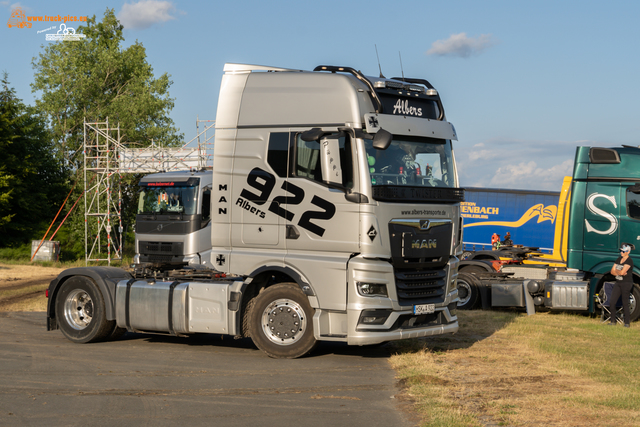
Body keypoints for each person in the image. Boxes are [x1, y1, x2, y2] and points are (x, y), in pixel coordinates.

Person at [608, 244, 634, 327]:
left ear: (628, 252)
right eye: (621, 251)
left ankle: (627, 323)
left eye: (623, 251)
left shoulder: (629, 261)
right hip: (618, 282)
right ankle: (612, 321)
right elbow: (612, 272)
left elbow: (622, 272)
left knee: (625, 303)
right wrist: (620, 271)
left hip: (626, 283)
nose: (621, 252)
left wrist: (618, 271)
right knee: (612, 301)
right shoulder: (618, 259)